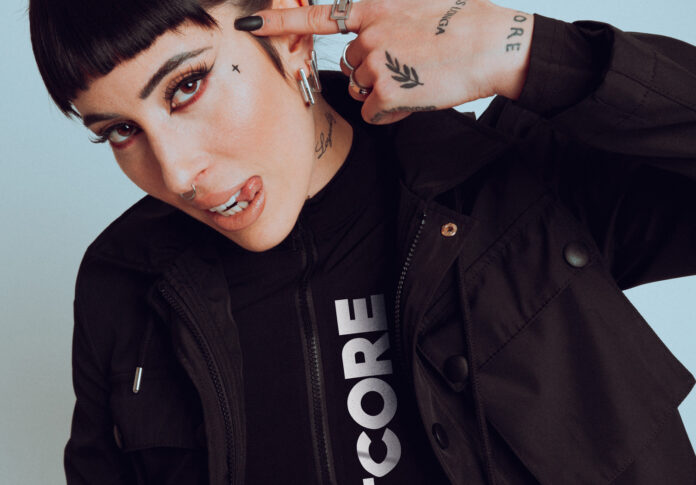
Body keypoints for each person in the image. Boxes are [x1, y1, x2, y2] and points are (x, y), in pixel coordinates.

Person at [28, 0, 696, 483]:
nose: (175, 174)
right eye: (120, 131)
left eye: (186, 86)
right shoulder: (127, 284)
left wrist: (523, 49)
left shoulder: (510, 183)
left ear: (291, 33)